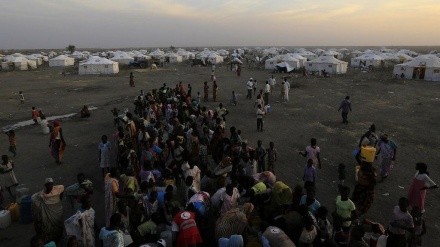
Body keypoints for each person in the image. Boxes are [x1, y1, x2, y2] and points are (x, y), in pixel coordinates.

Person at [31, 178, 65, 243]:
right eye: (48, 185)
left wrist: (60, 198)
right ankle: (52, 238)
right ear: (45, 185)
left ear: (52, 184)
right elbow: (33, 197)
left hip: (57, 210)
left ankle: (58, 236)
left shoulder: (57, 189)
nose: (49, 186)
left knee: (58, 223)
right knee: (49, 225)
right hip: (48, 213)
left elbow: (62, 187)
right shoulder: (42, 194)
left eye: (51, 185)